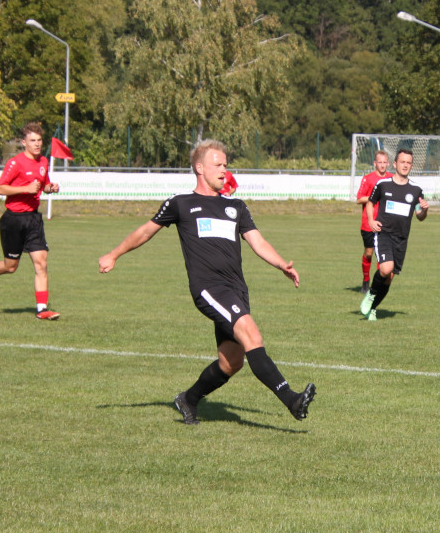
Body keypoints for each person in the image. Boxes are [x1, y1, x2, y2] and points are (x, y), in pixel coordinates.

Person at [98, 139, 314, 426]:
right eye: (218, 164)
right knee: (252, 336)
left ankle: (188, 398)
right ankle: (292, 399)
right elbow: (145, 232)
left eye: (226, 164)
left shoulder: (235, 206)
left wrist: (280, 264)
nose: (224, 170)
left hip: (236, 289)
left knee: (231, 362)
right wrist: (114, 254)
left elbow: (257, 241)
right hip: (209, 289)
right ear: (200, 168)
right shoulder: (181, 203)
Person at [0, 123, 62, 319]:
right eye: (32, 141)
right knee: (10, 266)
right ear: (24, 143)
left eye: (39, 140)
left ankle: (42, 309)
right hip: (13, 220)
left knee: (41, 263)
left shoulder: (44, 162)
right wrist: (25, 189)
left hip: (33, 219)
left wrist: (50, 188)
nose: (37, 144)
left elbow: (43, 185)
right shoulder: (15, 163)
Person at [359, 149, 429, 321]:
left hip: (402, 238)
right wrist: (371, 220)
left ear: (411, 166)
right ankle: (370, 294)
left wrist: (424, 210)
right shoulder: (383, 185)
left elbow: (420, 217)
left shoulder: (416, 190)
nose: (405, 165)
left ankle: (373, 308)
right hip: (383, 234)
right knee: (386, 268)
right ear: (395, 164)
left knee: (389, 278)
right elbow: (370, 203)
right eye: (402, 161)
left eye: (408, 163)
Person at [354, 150, 392, 294]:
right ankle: (365, 279)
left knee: (381, 254)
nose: (382, 165)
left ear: (388, 163)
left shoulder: (391, 178)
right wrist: (374, 196)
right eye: (379, 162)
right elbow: (359, 199)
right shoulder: (368, 178)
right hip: (368, 223)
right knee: (369, 253)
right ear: (374, 163)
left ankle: (377, 285)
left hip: (385, 223)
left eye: (384, 162)